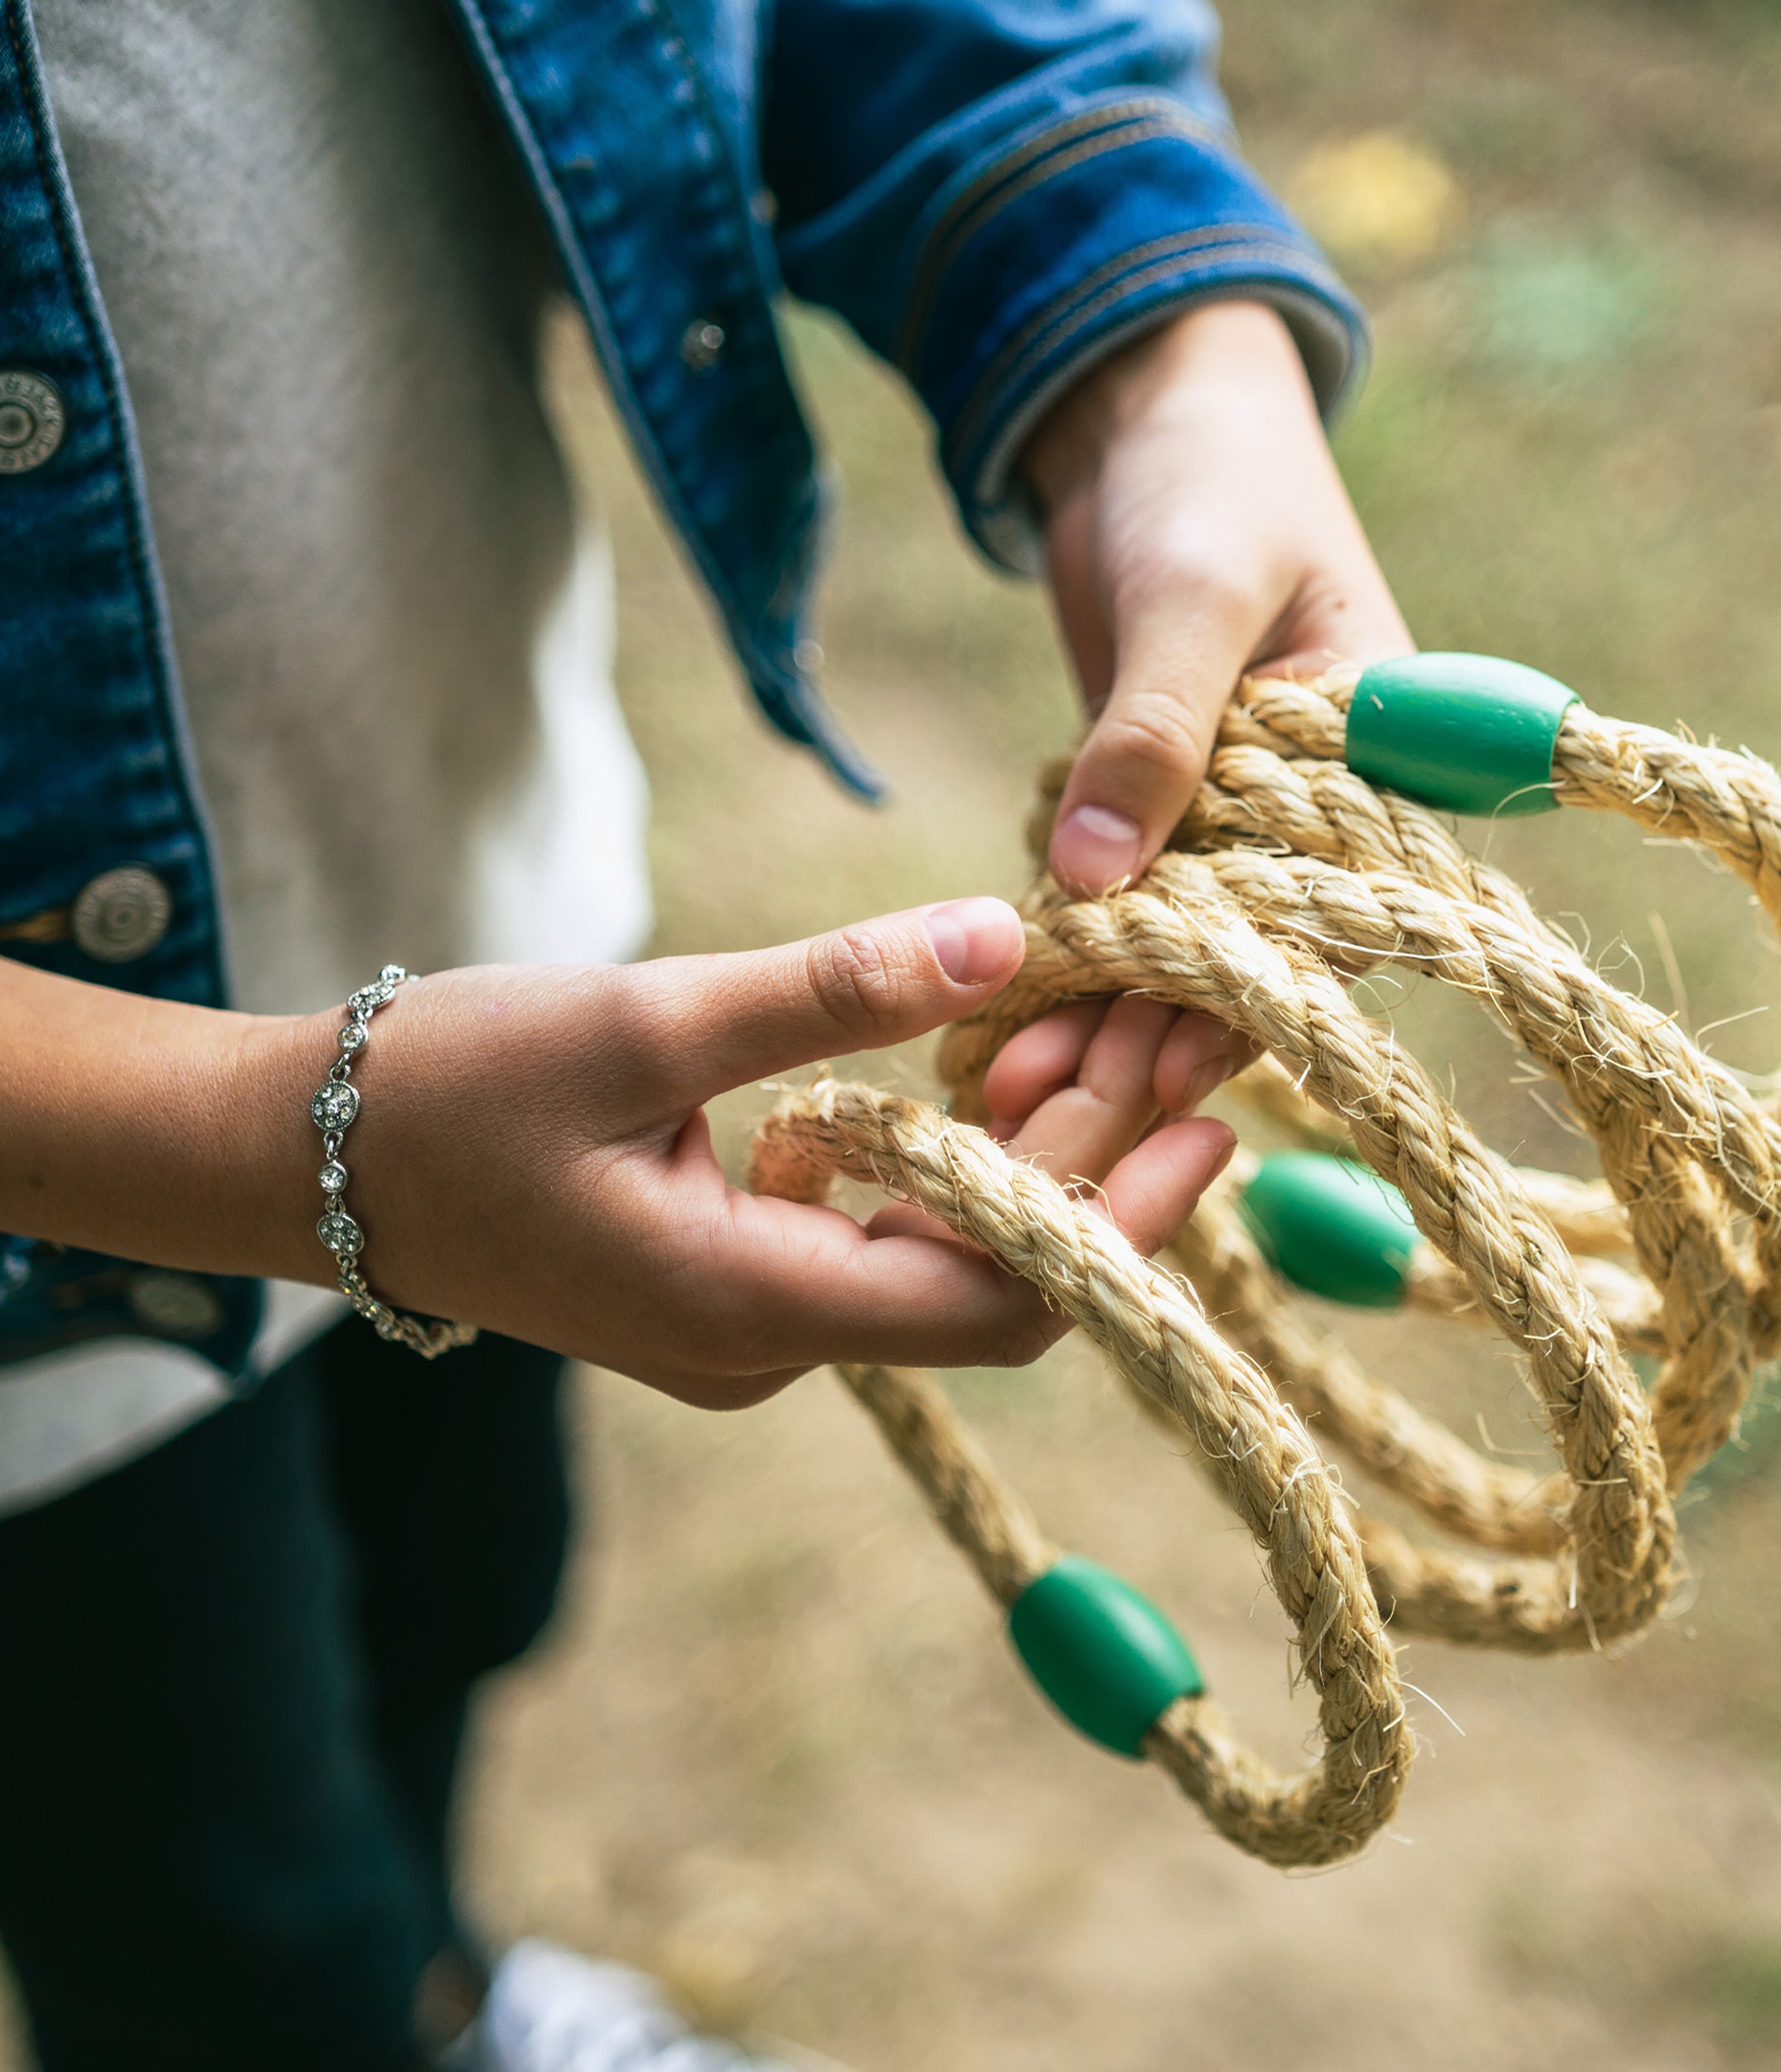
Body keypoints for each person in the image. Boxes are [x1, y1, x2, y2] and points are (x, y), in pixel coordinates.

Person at [0, 0, 1413, 2065]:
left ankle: (442, 1996)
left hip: (457, 915)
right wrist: (265, 1134)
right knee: (207, 1867)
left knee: (451, 1590)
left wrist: (1156, 351)